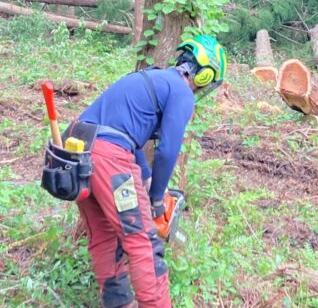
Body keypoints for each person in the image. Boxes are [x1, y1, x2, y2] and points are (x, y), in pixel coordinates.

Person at [73, 35, 227, 308]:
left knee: (105, 233)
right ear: (204, 76)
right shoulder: (181, 93)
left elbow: (128, 137)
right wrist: (156, 198)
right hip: (109, 158)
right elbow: (167, 151)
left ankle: (118, 302)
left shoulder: (151, 79)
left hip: (77, 149)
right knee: (143, 239)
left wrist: (144, 176)